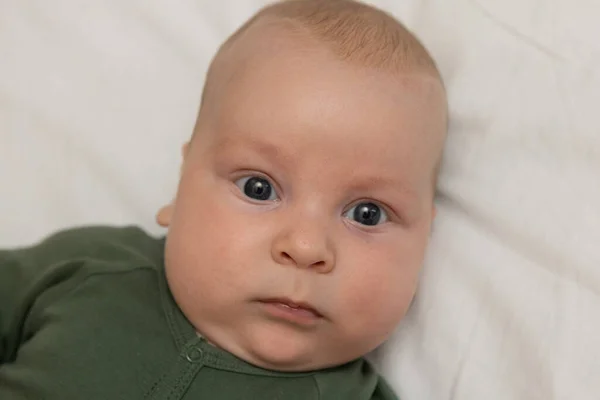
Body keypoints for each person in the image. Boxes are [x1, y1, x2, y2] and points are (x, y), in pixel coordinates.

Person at [0, 0, 447, 398]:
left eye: (367, 214)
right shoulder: (90, 268)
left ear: (426, 238)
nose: (307, 247)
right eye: (259, 188)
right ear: (181, 184)